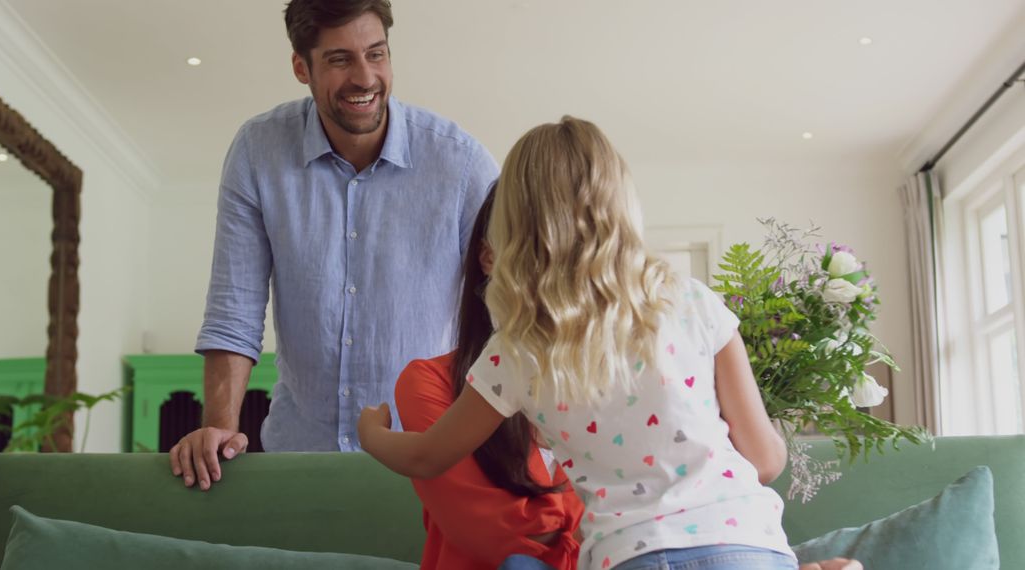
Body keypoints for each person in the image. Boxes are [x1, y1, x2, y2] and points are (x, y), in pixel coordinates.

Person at [358, 116, 860, 570]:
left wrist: (371, 432)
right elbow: (766, 461)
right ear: (622, 206)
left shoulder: (516, 350)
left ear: (514, 225)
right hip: (751, 545)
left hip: (631, 555)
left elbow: (426, 457)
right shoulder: (693, 302)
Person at [170, 0, 497, 490]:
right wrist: (221, 426)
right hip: (299, 461)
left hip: (431, 464)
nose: (365, 77)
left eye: (377, 54)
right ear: (302, 67)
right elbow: (233, 311)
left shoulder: (464, 165)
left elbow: (508, 313)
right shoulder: (258, 153)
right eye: (340, 59)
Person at [396, 188, 582, 569]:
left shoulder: (602, 379)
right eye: (531, 244)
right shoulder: (430, 383)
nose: (552, 264)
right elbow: (501, 534)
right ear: (488, 257)